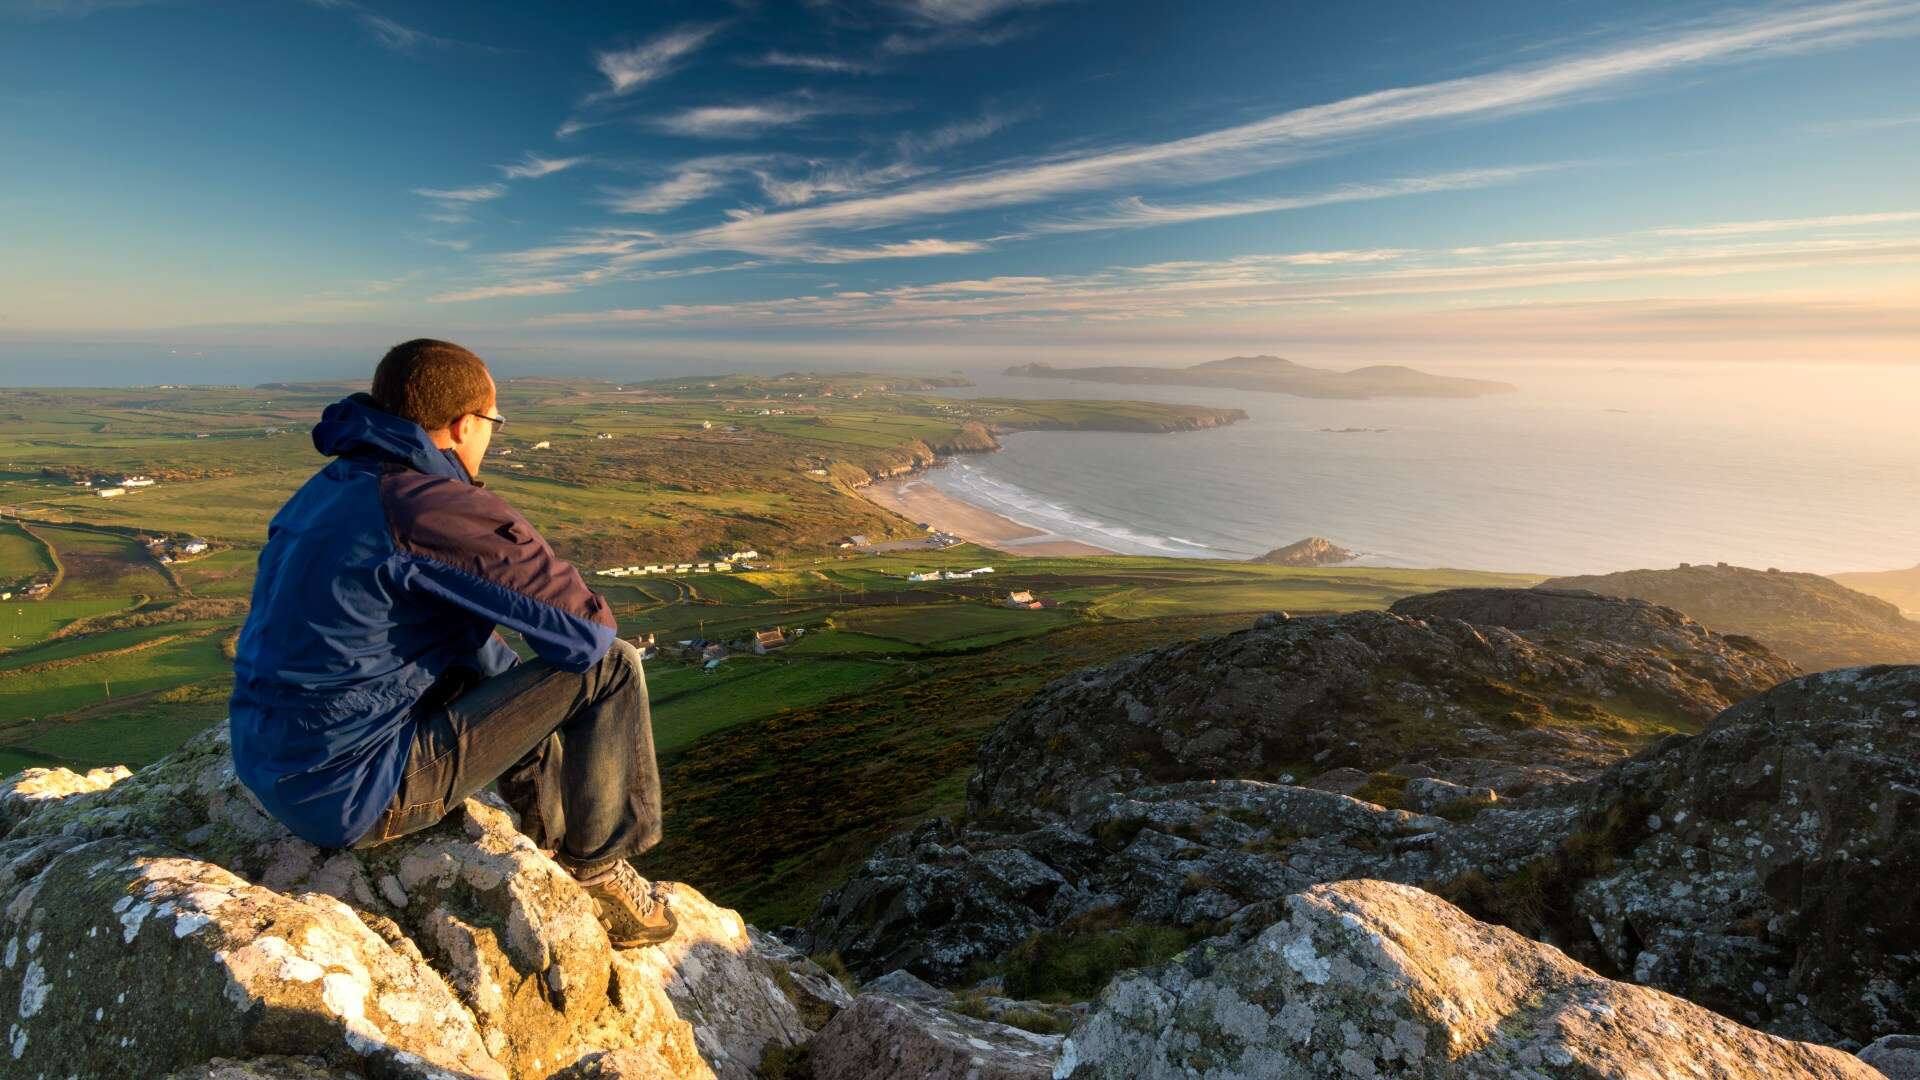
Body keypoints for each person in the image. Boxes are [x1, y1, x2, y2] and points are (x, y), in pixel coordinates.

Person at [229, 338, 675, 947]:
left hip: (273, 763)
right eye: (493, 421)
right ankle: (597, 868)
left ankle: (545, 837)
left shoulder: (335, 484)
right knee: (613, 667)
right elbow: (586, 637)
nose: (492, 435)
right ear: (465, 424)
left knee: (495, 663)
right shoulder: (428, 505)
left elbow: (450, 639)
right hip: (353, 793)